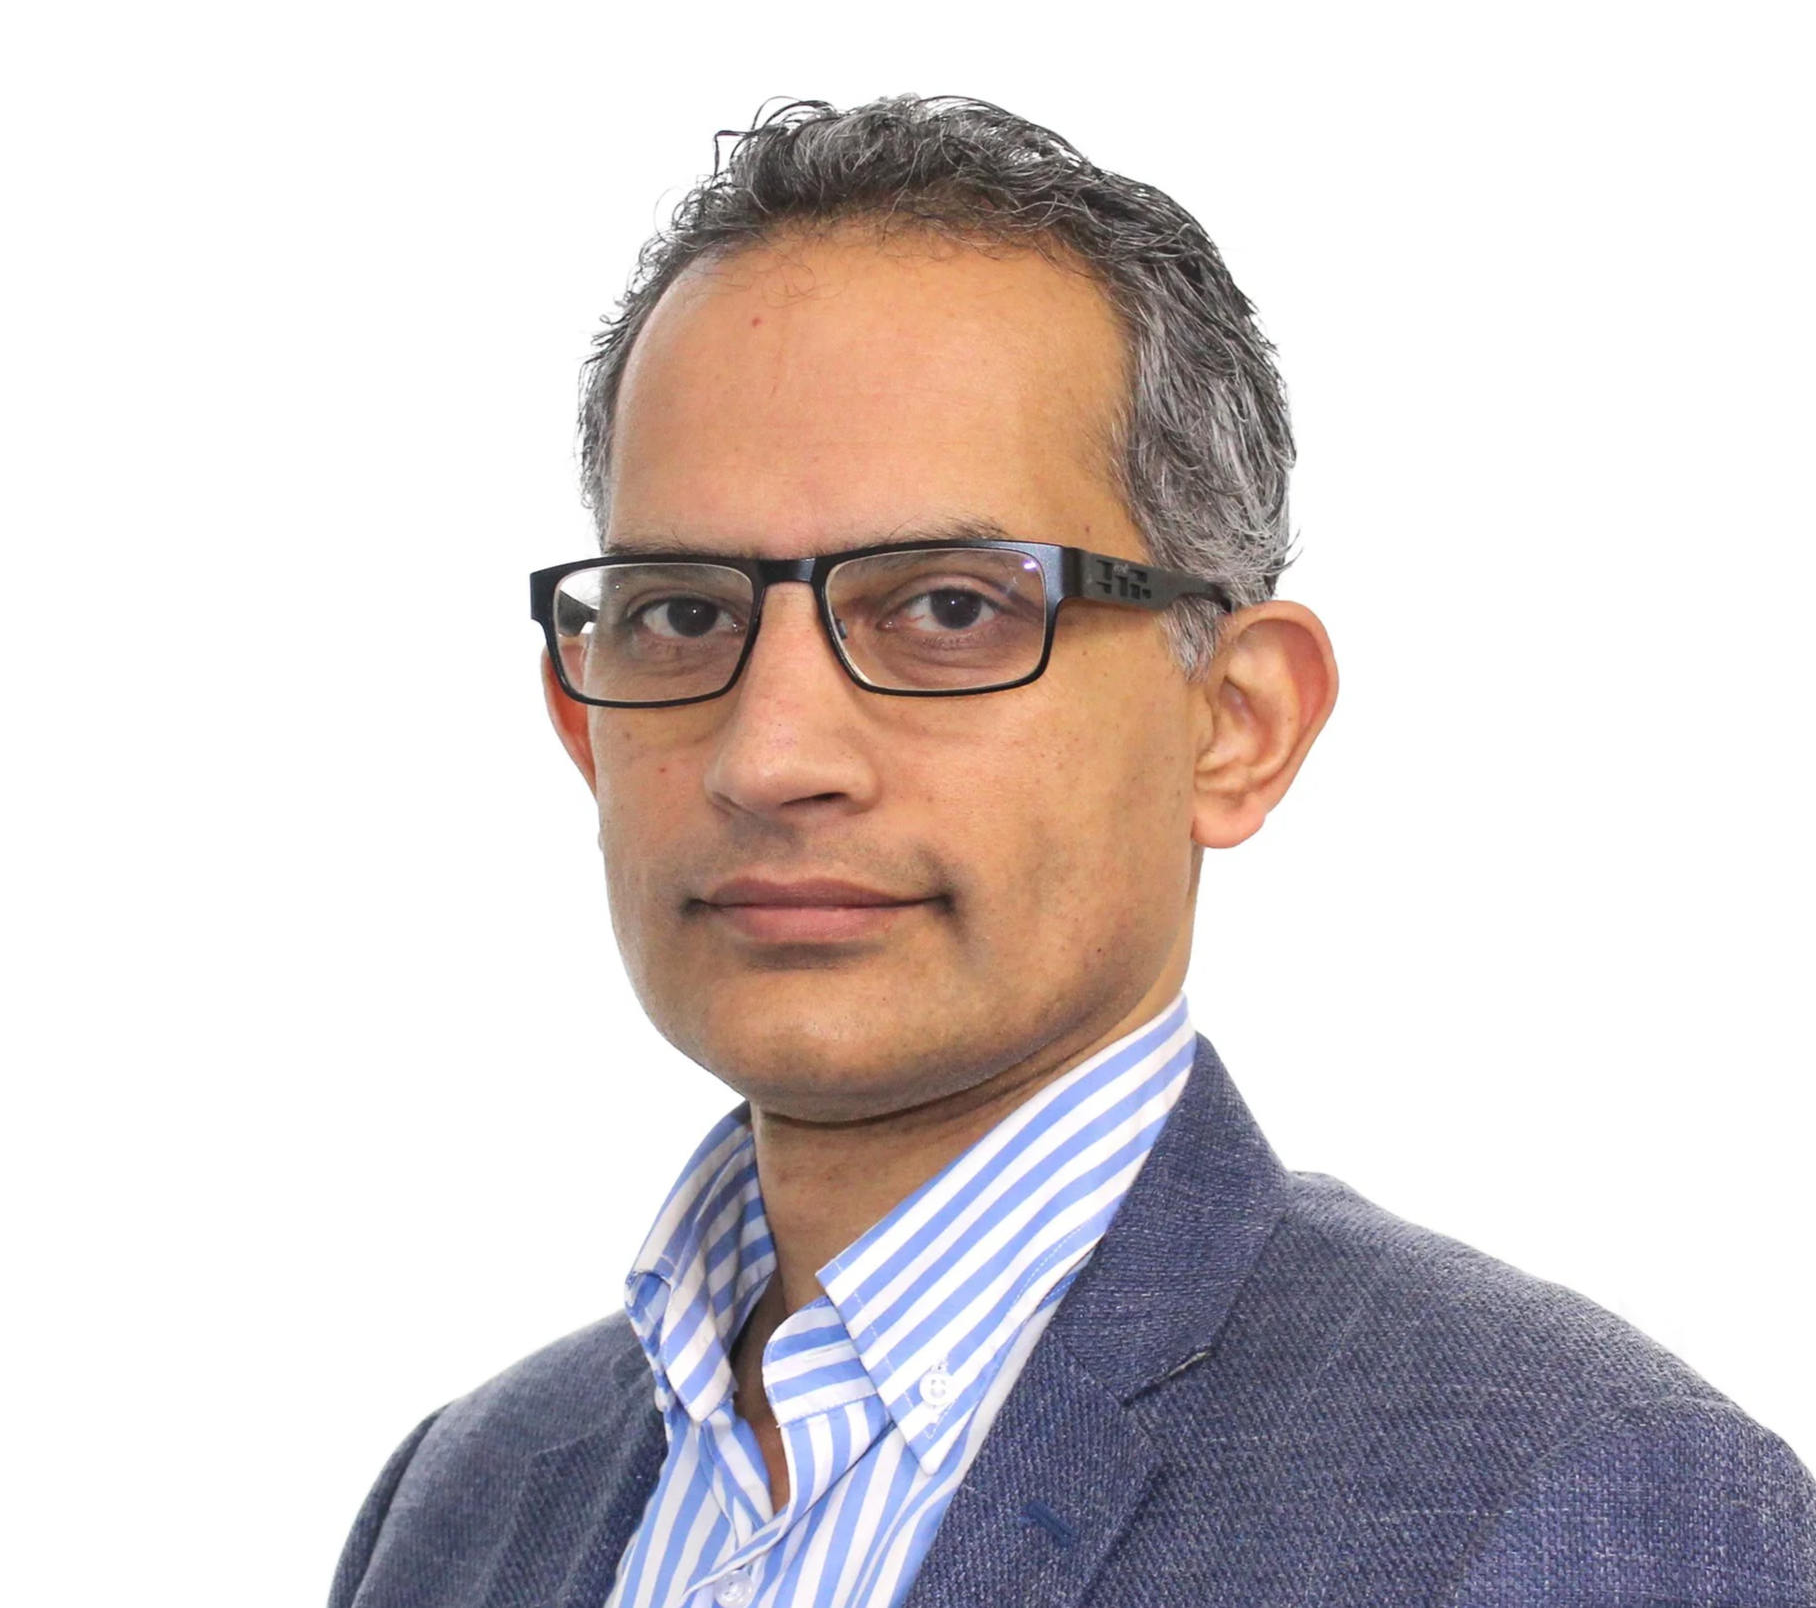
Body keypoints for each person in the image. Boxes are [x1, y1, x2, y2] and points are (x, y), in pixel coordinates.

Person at [330, 96, 1814, 1608]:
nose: (769, 755)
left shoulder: (1584, 1499)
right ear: (583, 722)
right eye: (684, 613)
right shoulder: (464, 1505)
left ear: (1235, 722)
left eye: (952, 608)